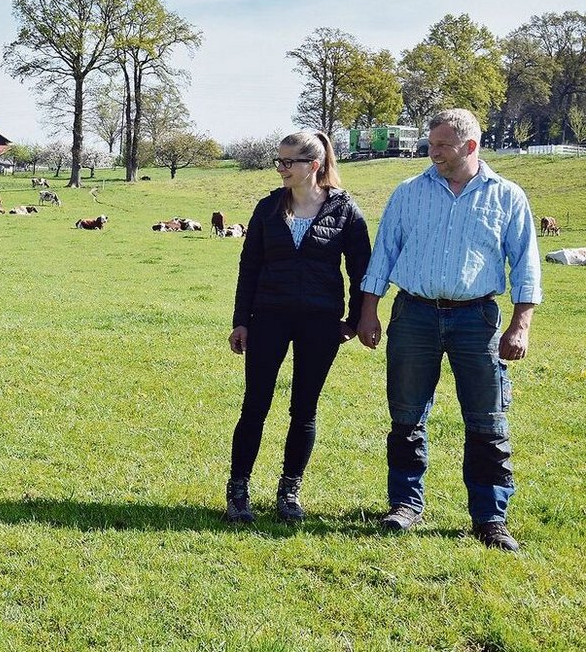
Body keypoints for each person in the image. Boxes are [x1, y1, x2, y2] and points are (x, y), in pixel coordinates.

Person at [357, 108, 541, 551]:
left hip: (476, 320)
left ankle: (490, 518)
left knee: (487, 418)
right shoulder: (408, 192)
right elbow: (384, 252)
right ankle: (404, 505)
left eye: (441, 145)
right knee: (405, 415)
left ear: (470, 146)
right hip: (413, 315)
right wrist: (369, 310)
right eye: (430, 143)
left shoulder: (507, 196)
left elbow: (526, 263)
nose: (431, 151)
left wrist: (520, 326)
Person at [226, 130, 370, 523]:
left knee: (304, 410)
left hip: (320, 324)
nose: (281, 169)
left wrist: (355, 320)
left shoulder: (345, 210)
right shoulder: (268, 208)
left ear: (315, 165)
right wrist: (241, 321)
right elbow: (249, 268)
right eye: (279, 161)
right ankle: (238, 492)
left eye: (288, 162)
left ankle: (289, 492)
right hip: (267, 318)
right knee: (255, 405)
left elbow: (362, 270)